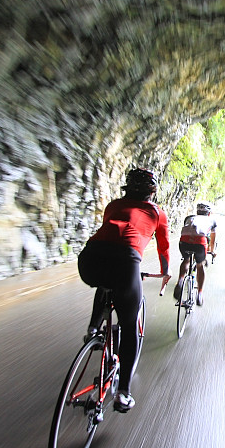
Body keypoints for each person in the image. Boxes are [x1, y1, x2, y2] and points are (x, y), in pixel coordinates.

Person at [77, 167, 171, 413]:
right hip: (127, 261)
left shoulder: (114, 205)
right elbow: (163, 246)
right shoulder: (157, 213)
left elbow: (109, 235)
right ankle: (123, 394)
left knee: (106, 283)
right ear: (152, 192)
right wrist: (165, 271)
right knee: (129, 327)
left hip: (89, 259)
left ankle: (93, 329)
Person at [173, 201, 217, 304]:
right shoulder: (212, 220)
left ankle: (180, 281)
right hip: (200, 243)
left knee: (186, 260)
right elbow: (212, 239)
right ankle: (200, 293)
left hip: (184, 242)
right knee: (199, 265)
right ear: (209, 213)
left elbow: (186, 230)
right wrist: (212, 251)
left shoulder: (189, 217)